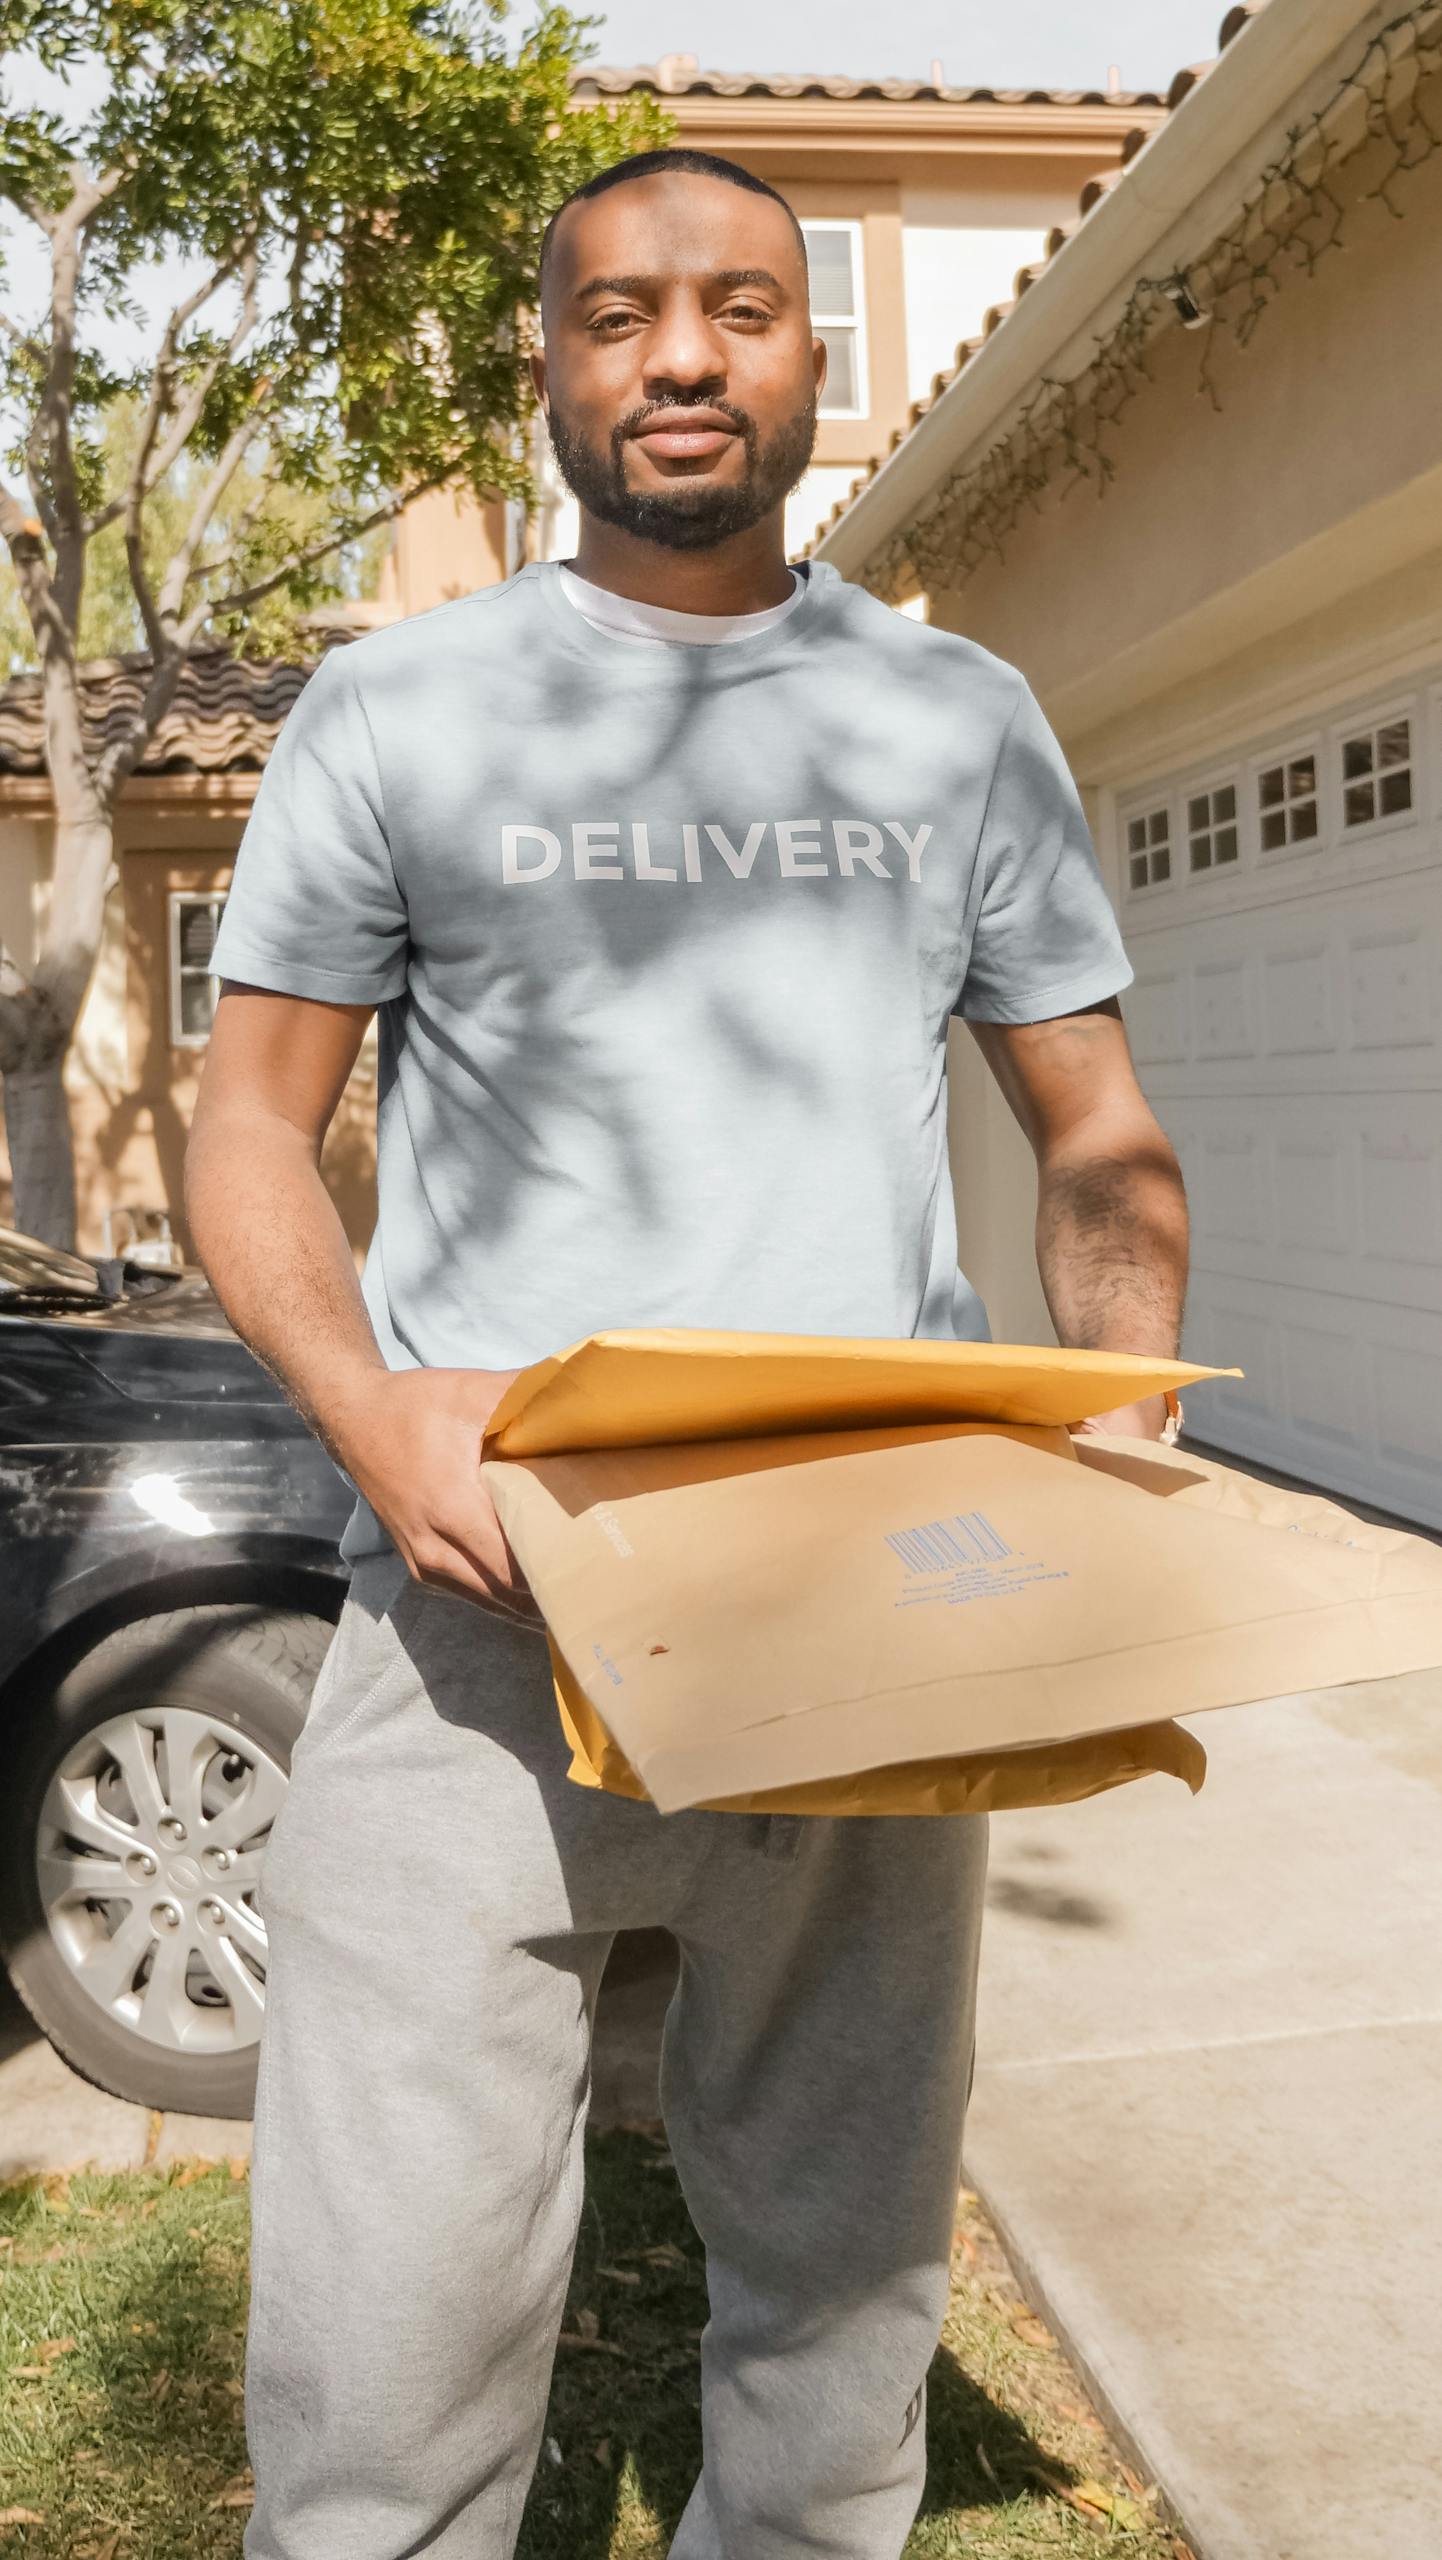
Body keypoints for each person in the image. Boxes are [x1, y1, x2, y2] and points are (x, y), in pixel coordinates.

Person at [187, 145, 1188, 2560]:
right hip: (481, 1603)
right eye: (620, 311)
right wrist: (369, 1407)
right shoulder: (398, 707)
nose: (680, 357)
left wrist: (1124, 1415)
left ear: (809, 356)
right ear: (546, 361)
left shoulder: (953, 717)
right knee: (384, 2323)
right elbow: (247, 1124)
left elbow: (1095, 1131)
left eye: (741, 306)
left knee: (840, 2308)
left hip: (871, 1597)